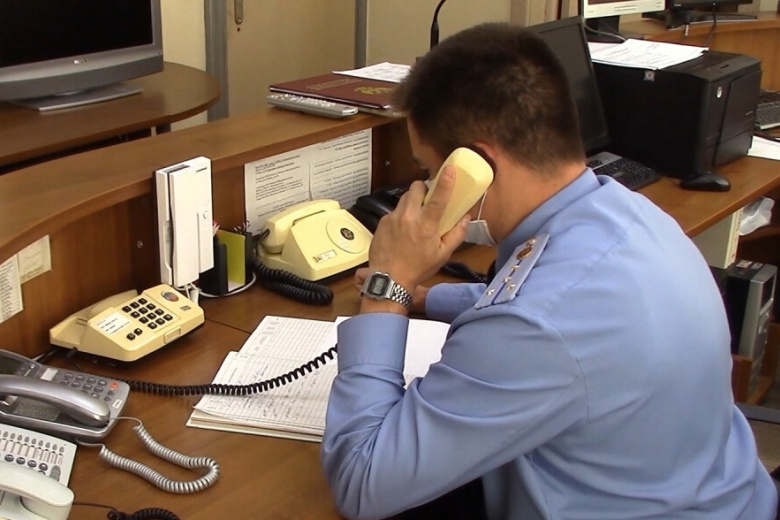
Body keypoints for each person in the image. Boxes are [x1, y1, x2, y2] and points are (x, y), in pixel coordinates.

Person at [320, 22, 778, 520]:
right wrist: (429, 297)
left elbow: (362, 480)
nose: (427, 189)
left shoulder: (538, 325)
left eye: (429, 172)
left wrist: (387, 288)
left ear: (476, 167)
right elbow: (554, 309)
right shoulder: (623, 213)